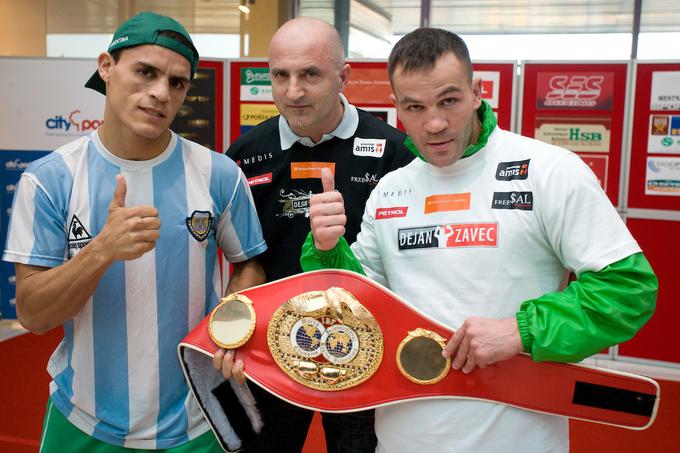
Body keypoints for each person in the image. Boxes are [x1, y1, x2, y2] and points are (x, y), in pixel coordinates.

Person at [303, 28, 657, 453]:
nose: (434, 123)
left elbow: (627, 290)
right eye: (415, 107)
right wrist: (327, 251)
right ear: (397, 108)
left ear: (476, 91)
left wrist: (520, 331)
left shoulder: (549, 170)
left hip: (518, 440)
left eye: (449, 100)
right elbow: (358, 310)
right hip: (402, 438)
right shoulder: (391, 189)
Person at [3, 11, 266, 452]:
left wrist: (233, 326)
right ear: (106, 66)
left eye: (177, 82)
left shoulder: (219, 174)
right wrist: (101, 249)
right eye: (145, 72)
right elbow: (33, 315)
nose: (161, 93)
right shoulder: (49, 179)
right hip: (83, 420)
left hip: (199, 421)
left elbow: (248, 263)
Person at [219, 16, 413, 453]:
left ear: (343, 76)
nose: (294, 91)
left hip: (364, 357)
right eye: (281, 76)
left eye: (310, 74)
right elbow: (242, 259)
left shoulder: (394, 153)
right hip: (271, 353)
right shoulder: (246, 156)